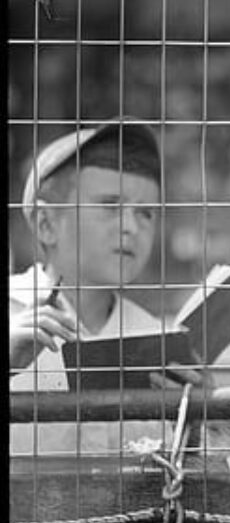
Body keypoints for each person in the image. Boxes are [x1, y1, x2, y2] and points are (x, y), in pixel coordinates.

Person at [9, 120, 205, 456]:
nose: (131, 227)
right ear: (46, 224)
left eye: (145, 213)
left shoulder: (158, 339)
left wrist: (199, 417)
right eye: (110, 205)